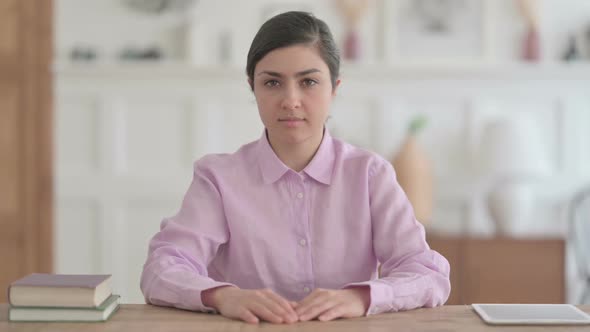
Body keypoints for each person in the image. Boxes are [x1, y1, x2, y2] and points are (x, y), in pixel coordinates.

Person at [140, 11, 450, 324]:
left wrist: (360, 297)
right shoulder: (218, 179)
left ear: (334, 88)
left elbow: (427, 274)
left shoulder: (370, 174)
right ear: (253, 88)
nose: (291, 100)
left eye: (309, 82)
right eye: (272, 82)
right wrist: (223, 296)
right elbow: (161, 269)